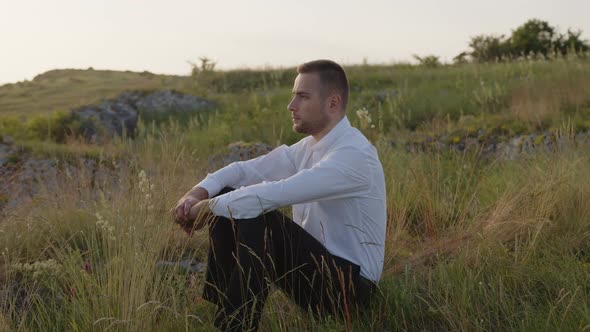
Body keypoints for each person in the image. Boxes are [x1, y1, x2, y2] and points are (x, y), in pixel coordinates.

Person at [173, 59, 386, 332]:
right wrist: (197, 193)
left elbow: (273, 194)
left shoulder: (353, 155)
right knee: (229, 195)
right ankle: (220, 303)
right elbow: (245, 171)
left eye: (303, 97)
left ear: (332, 103)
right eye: (293, 95)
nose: (291, 105)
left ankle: (236, 325)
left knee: (255, 211)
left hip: (351, 291)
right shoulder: (310, 147)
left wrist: (206, 208)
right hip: (316, 275)